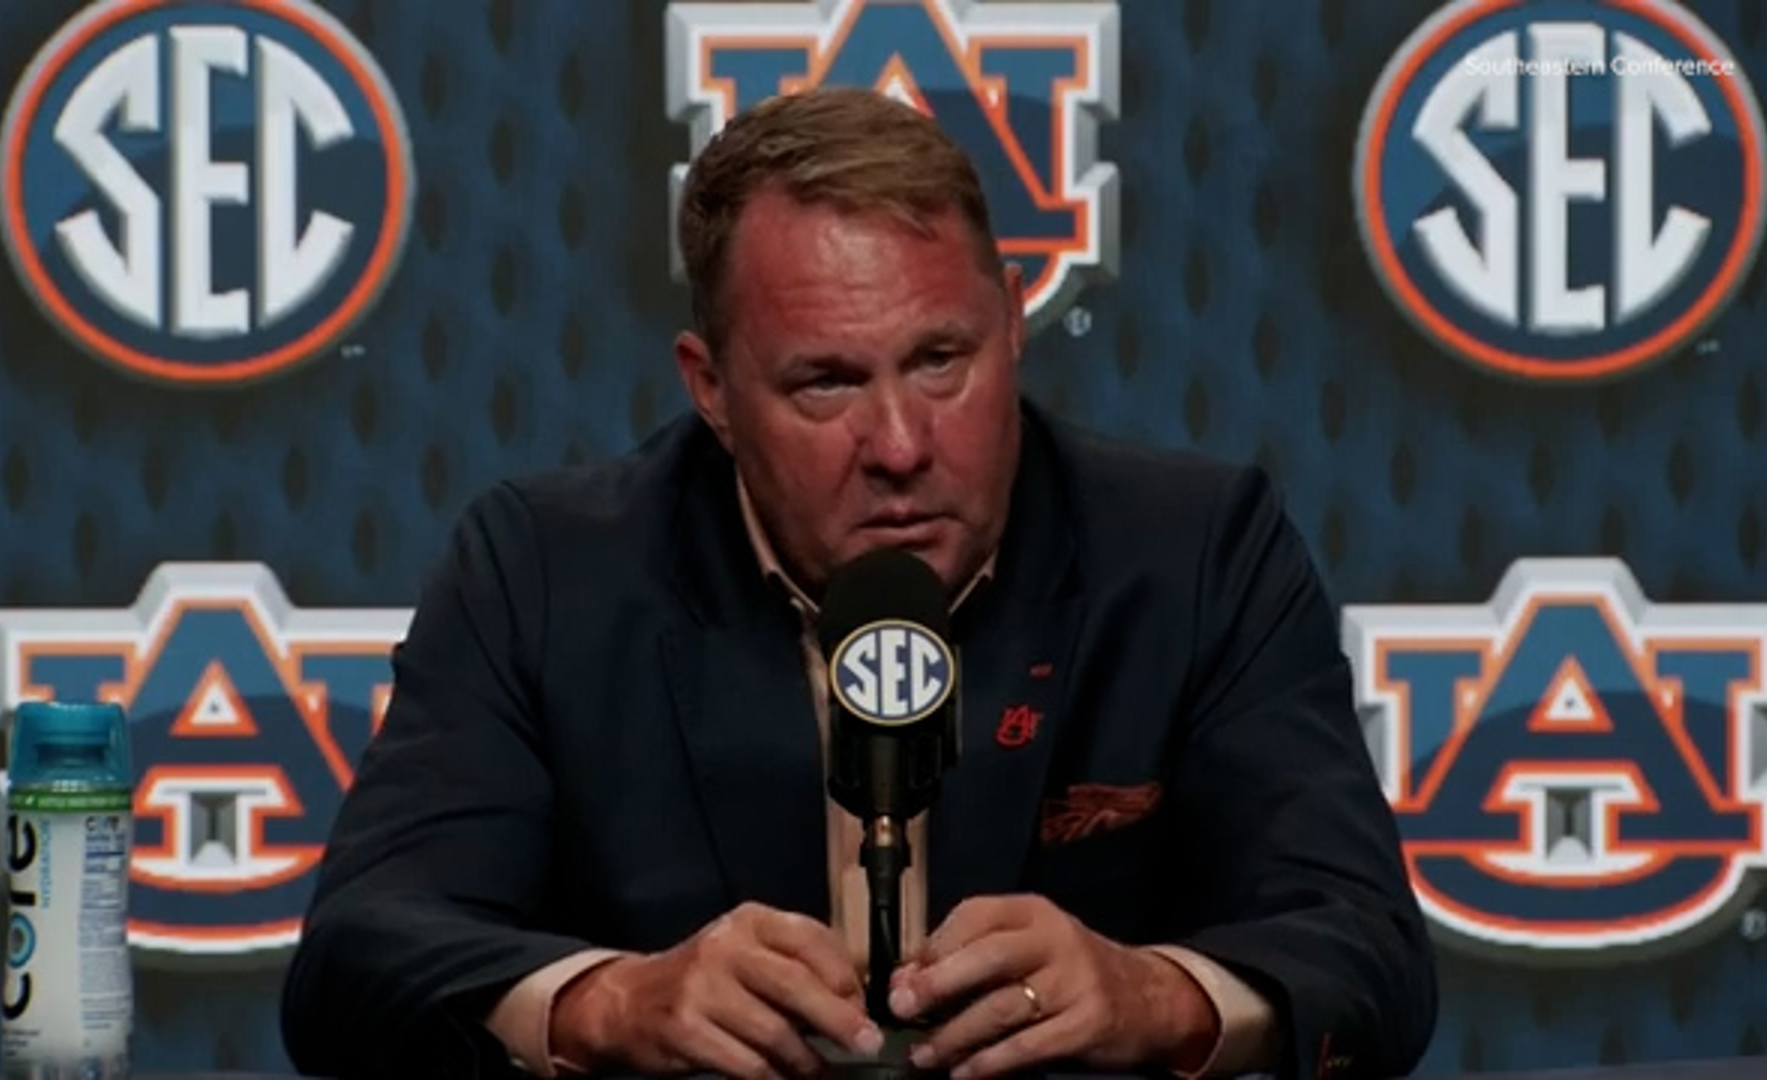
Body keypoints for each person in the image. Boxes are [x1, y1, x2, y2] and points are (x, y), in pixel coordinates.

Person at [281, 86, 1437, 1080]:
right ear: (712, 388)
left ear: (1015, 323)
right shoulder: (547, 572)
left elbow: (1365, 950)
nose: (898, 443)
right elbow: (360, 957)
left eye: (942, 360)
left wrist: (1158, 997)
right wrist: (611, 1004)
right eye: (825, 384)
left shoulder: (1192, 554)